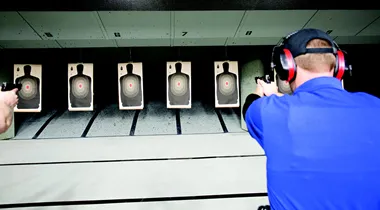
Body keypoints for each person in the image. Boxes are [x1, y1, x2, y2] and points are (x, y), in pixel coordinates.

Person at [243, 28, 380, 209]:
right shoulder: (375, 106)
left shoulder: (268, 112)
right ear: (339, 66)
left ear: (287, 67)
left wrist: (266, 92)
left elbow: (250, 106)